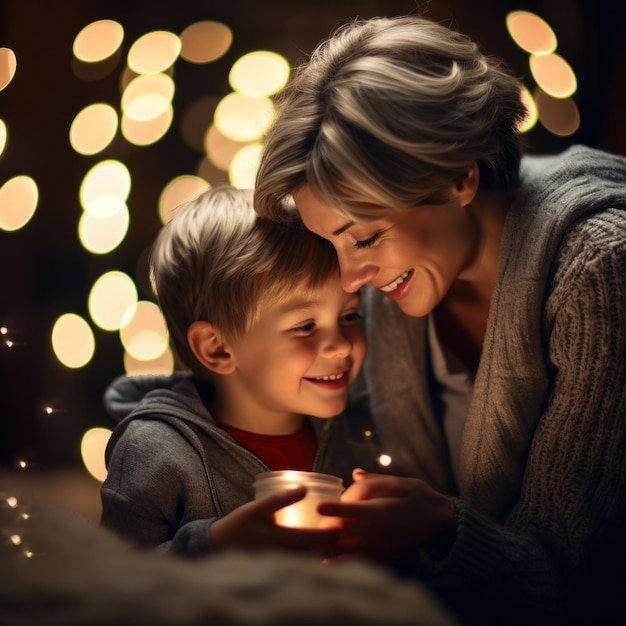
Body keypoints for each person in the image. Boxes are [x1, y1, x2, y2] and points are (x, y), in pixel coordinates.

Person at [253, 14, 626, 625]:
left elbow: (578, 576)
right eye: (333, 245)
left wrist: (442, 526)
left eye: (366, 237)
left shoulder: (600, 268)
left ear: (459, 176)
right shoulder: (385, 295)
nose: (349, 278)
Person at [100, 185, 382, 557]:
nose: (342, 345)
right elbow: (115, 583)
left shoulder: (358, 435)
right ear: (217, 348)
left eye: (348, 316)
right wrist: (215, 544)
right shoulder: (154, 452)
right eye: (305, 326)